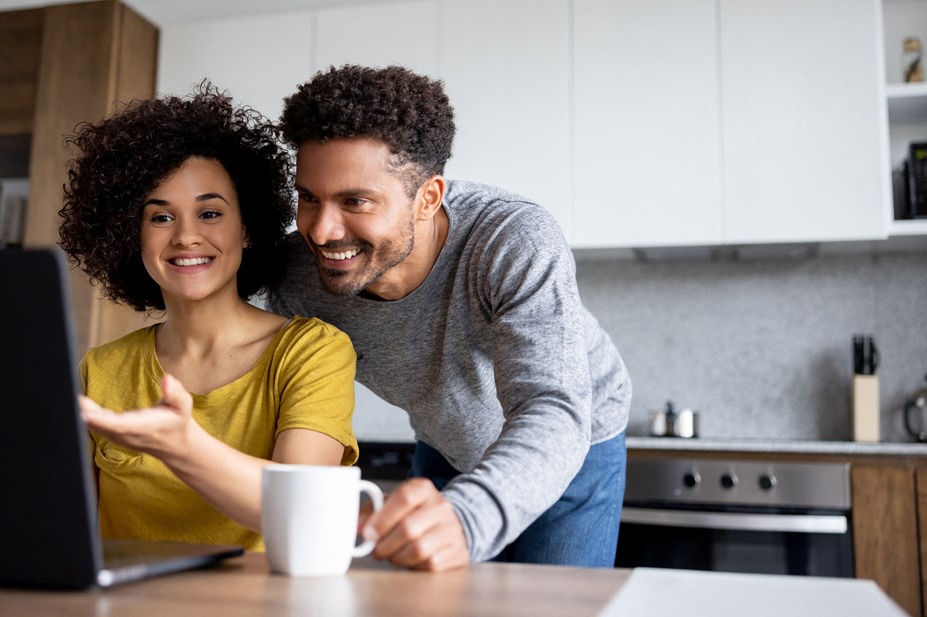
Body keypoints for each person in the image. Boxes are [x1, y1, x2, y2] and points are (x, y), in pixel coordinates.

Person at [269, 65, 632, 571]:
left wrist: (468, 518)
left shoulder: (511, 240)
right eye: (308, 197)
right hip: (445, 440)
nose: (323, 231)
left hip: (571, 444)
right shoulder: (295, 274)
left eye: (355, 201)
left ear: (429, 197)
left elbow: (552, 404)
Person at [58, 83, 359, 551]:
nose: (186, 236)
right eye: (160, 218)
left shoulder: (313, 352)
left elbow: (303, 511)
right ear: (128, 236)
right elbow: (76, 534)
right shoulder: (101, 369)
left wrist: (182, 445)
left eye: (210, 213)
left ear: (247, 229)